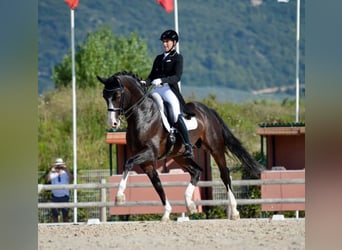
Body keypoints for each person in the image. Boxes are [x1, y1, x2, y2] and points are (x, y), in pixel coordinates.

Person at [145, 29, 194, 158]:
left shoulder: (178, 58)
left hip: (168, 89)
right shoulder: (158, 58)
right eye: (163, 42)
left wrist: (162, 80)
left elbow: (177, 77)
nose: (165, 44)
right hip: (156, 89)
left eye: (167, 42)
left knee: (175, 113)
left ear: (174, 43)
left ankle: (188, 145)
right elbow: (152, 76)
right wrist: (145, 82)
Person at [46, 158, 73, 222]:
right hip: (55, 197)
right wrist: (51, 171)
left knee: (65, 216)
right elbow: (47, 180)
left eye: (60, 165)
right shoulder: (52, 173)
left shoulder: (65, 173)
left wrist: (66, 169)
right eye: (57, 165)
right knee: (55, 216)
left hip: (64, 196)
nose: (59, 167)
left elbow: (72, 178)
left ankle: (66, 228)